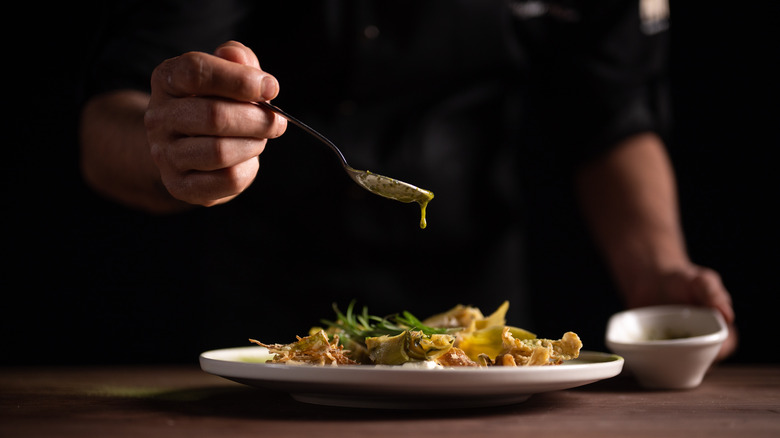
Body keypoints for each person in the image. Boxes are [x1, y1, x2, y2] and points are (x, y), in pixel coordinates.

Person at [78, 0, 736, 361]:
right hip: (270, 330)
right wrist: (176, 143)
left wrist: (656, 275)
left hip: (483, 335)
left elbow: (610, 112)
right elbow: (107, 124)